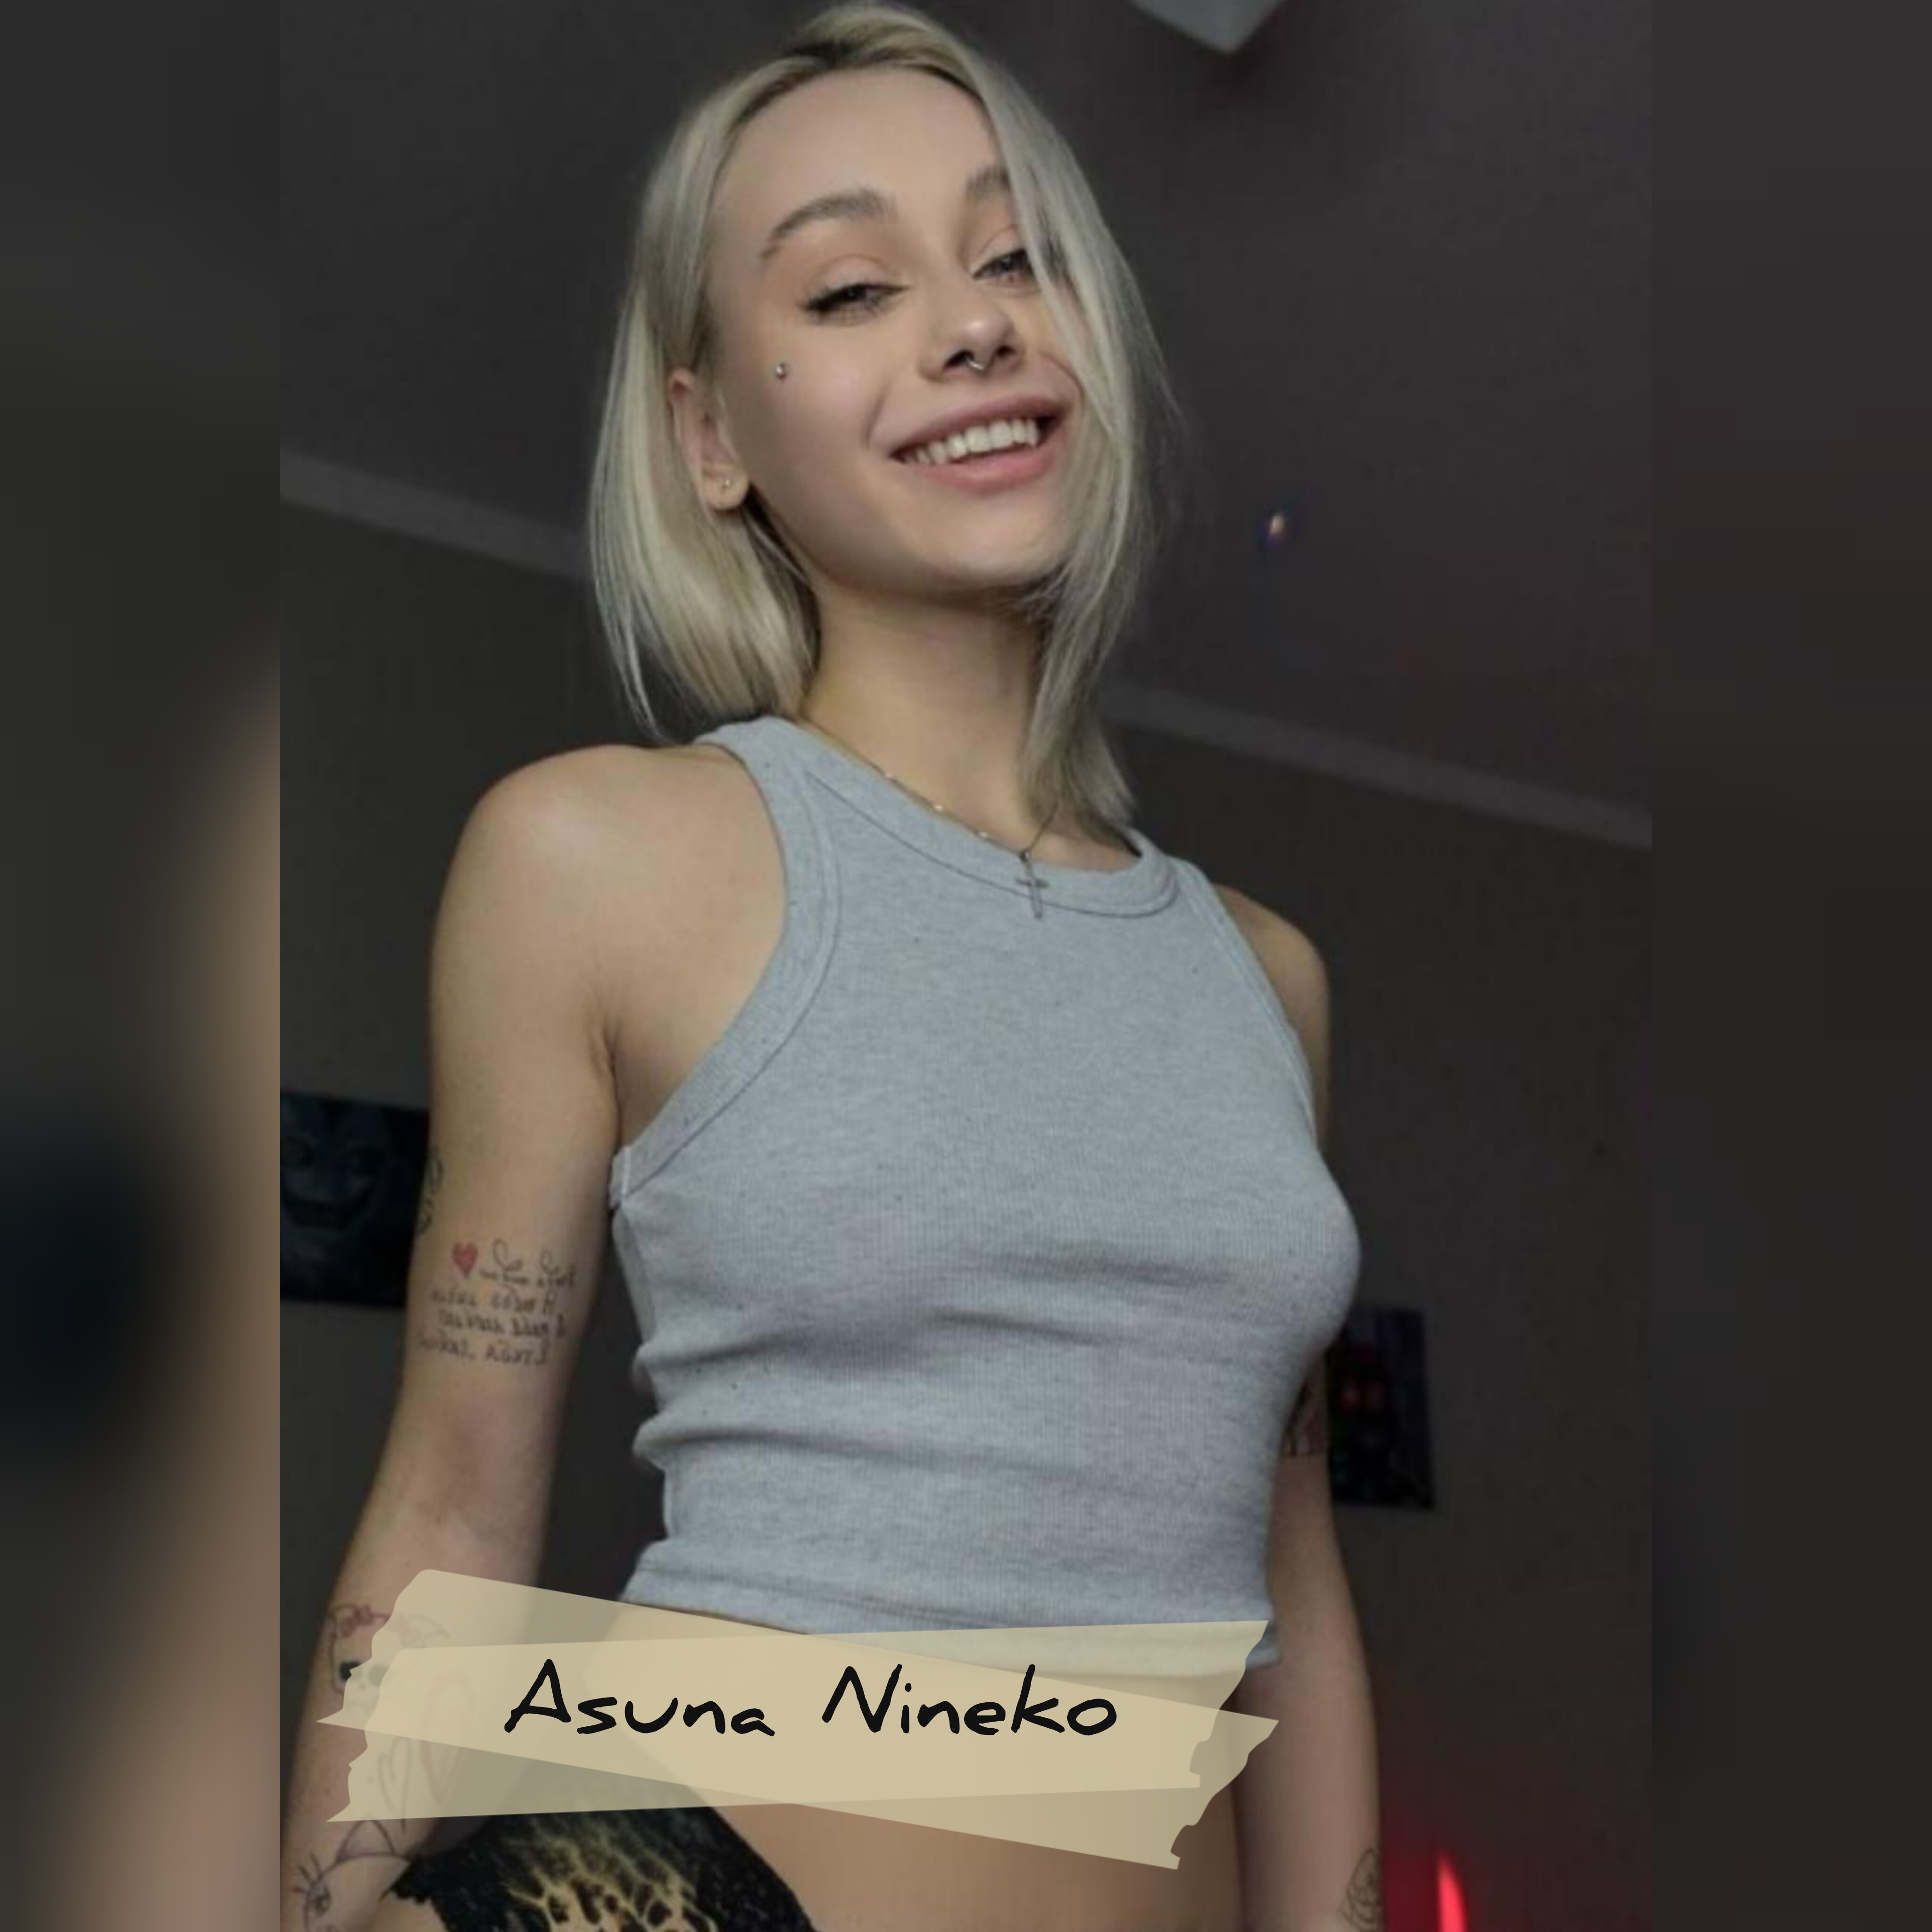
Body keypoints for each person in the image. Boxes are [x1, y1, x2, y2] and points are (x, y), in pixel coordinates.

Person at [280, 7, 1382, 1929]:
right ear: (711, 435)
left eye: (1017, 255)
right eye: (856, 286)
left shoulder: (1263, 978)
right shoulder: (595, 854)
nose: (972, 323)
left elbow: (1289, 1598)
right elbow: (452, 1509)